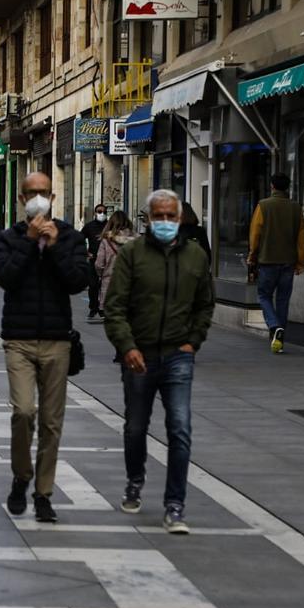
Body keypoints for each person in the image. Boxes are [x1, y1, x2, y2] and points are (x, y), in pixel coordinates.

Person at [103, 189, 215, 535]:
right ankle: (135, 480)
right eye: (159, 216)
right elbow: (115, 306)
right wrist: (127, 346)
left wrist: (192, 342)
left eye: (171, 216)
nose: (165, 222)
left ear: (180, 219)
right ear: (148, 219)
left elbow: (204, 304)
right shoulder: (133, 254)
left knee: (179, 429)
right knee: (136, 426)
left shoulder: (195, 256)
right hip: (139, 355)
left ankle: (175, 505)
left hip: (178, 356)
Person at [0, 172, 90, 523]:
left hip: (57, 340)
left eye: (43, 193)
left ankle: (43, 492)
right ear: (22, 200)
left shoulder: (70, 237)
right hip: (18, 339)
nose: (37, 198)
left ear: (52, 197)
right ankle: (21, 476)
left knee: (52, 422)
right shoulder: (8, 238)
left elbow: (77, 282)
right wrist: (28, 242)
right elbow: (5, 278)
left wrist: (52, 249)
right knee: (23, 411)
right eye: (31, 193)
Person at [248, 173, 304, 354]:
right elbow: (301, 238)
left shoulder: (263, 206)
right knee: (283, 300)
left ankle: (274, 327)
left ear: (272, 186)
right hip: (288, 262)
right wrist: (300, 262)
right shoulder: (296, 208)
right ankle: (279, 339)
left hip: (267, 261)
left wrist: (252, 255)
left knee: (264, 296)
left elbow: (255, 234)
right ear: (287, 187)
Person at [94, 210, 136, 311]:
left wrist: (101, 274)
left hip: (110, 281)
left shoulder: (106, 241)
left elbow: (99, 264)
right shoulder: (137, 240)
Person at [81, 204, 108, 323]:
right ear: (95, 213)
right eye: (99, 211)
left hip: (107, 261)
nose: (101, 213)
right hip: (93, 260)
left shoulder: (110, 226)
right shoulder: (89, 226)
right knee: (93, 285)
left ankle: (102, 309)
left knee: (104, 286)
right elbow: (79, 239)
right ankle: (93, 308)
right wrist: (86, 253)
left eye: (103, 211)